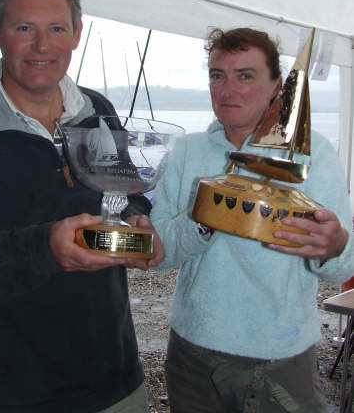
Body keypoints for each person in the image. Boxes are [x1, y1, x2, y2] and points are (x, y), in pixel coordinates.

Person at [0, 0, 164, 413]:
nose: (43, 45)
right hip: (5, 394)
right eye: (24, 28)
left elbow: (123, 195)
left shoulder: (98, 112)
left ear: (76, 34)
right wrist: (44, 247)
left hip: (115, 384)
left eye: (56, 29)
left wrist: (137, 222)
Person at [150, 27, 354, 413]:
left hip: (280, 352)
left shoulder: (312, 155)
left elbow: (343, 265)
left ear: (276, 85)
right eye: (217, 75)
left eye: (245, 76)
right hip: (192, 348)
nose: (227, 90)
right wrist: (206, 218)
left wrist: (337, 244)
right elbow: (161, 254)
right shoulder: (186, 153)